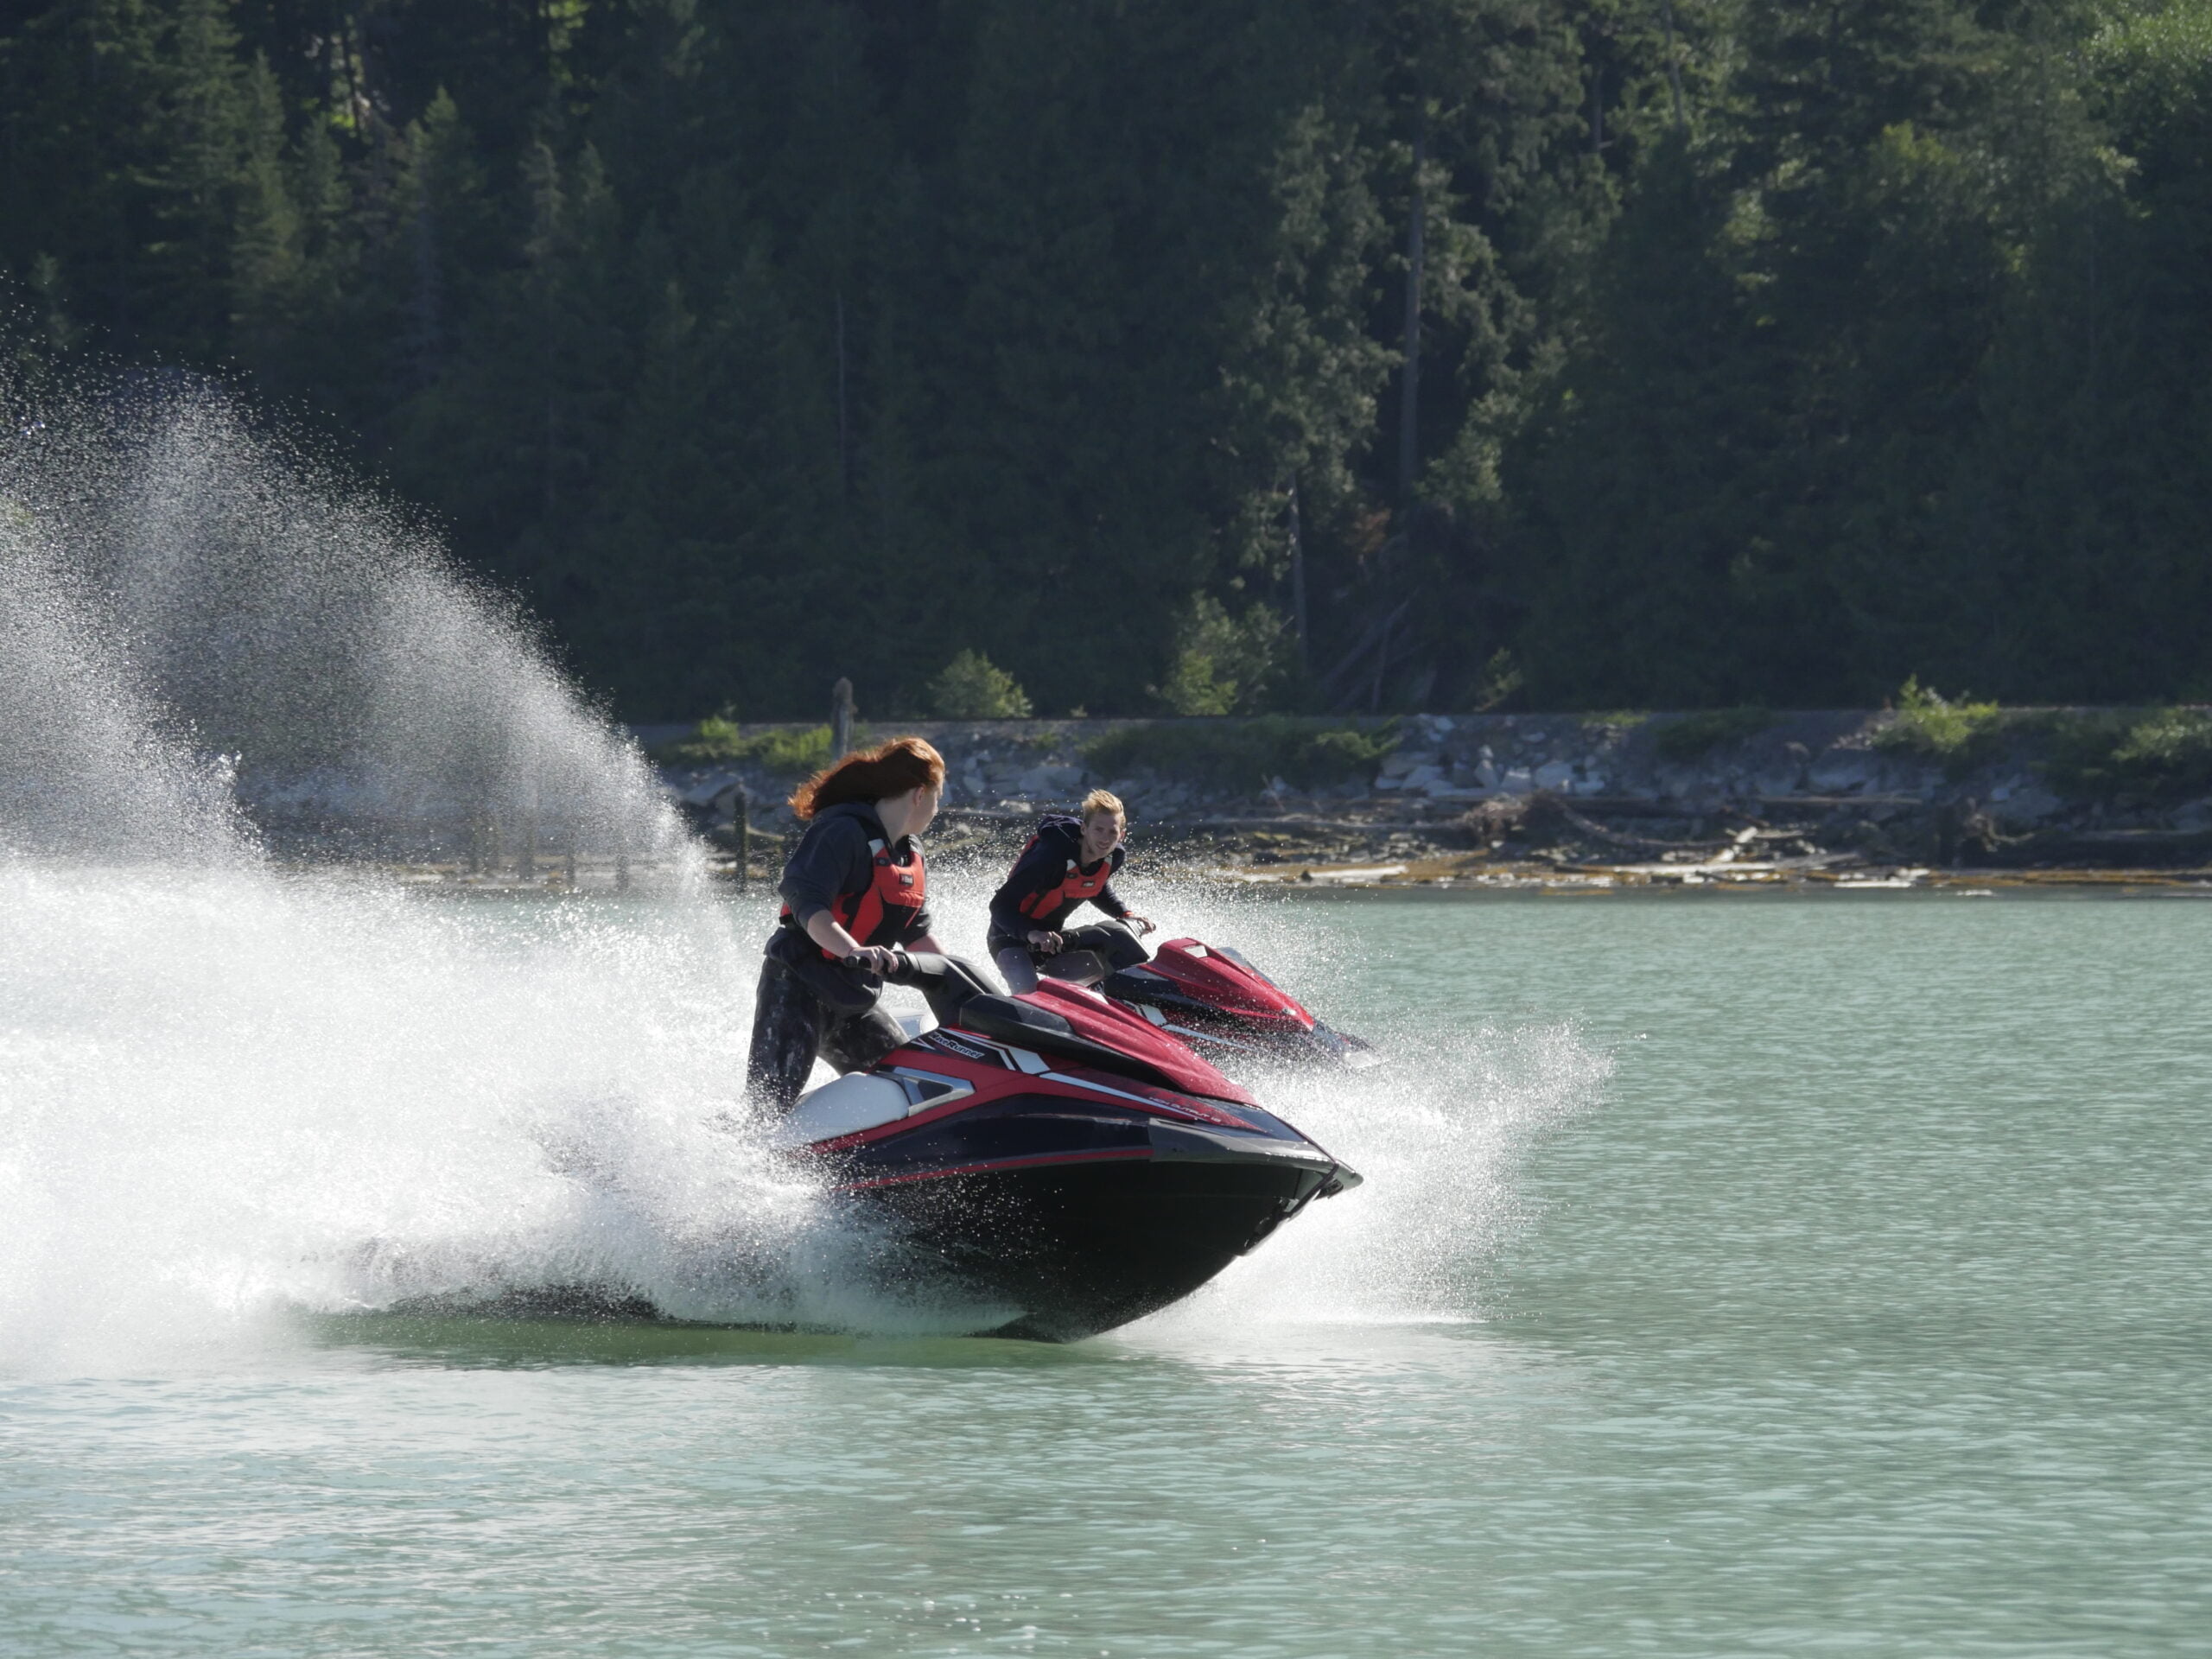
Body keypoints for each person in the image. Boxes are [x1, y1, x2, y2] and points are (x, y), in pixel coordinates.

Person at [746, 736, 946, 1112]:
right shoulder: (842, 832)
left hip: (854, 998)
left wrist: (960, 985)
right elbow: (805, 900)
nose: (938, 809)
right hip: (797, 987)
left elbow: (916, 933)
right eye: (938, 798)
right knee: (767, 1108)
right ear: (920, 794)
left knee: (910, 1091)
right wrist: (852, 950)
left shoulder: (909, 852)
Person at [988, 789, 1156, 994]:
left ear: (1121, 835)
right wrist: (1032, 934)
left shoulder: (1114, 857)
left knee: (1110, 979)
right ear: (1084, 829)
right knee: (1031, 997)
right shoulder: (1051, 858)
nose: (1105, 839)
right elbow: (999, 905)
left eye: (1112, 832)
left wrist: (1125, 914)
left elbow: (1095, 886)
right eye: (1098, 829)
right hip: (1008, 939)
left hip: (1053, 944)